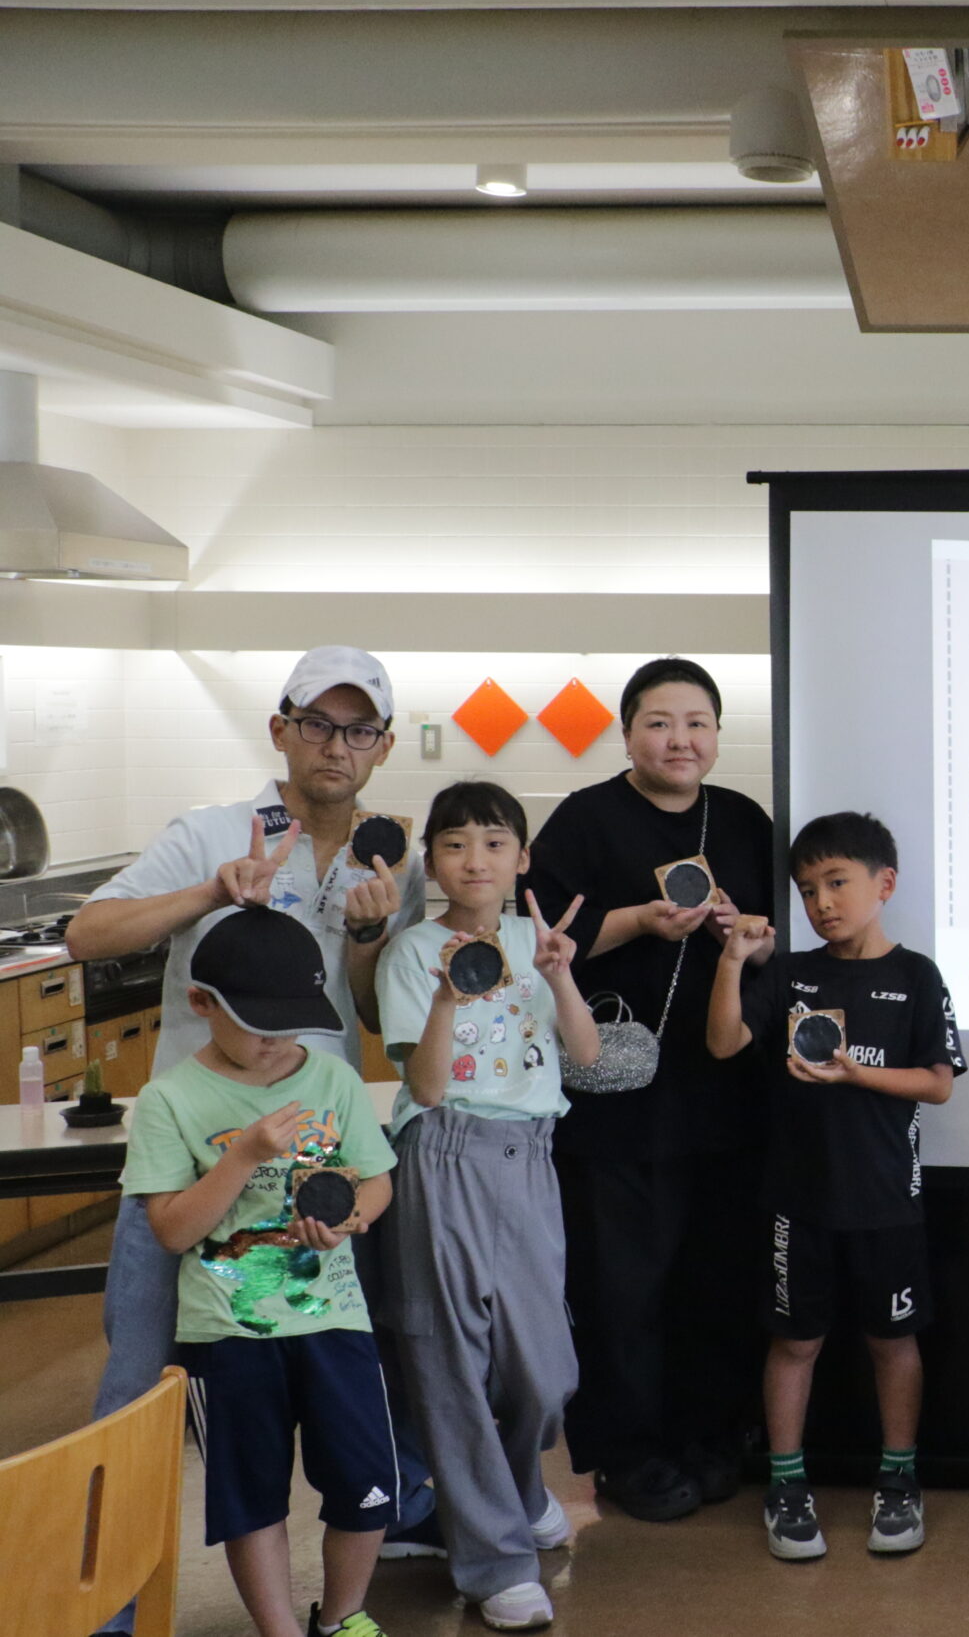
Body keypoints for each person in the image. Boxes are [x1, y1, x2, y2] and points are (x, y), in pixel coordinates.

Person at [69, 645, 435, 1620]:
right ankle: (105, 1611)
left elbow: (373, 1015)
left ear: (383, 746)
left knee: (324, 1388)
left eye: (358, 729)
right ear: (281, 729)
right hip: (185, 1168)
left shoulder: (391, 861)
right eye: (316, 723)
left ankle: (349, 1584)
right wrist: (212, 891)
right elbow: (87, 933)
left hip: (311, 1173)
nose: (335, 745)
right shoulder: (211, 832)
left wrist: (371, 936)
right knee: (136, 1391)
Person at [527, 657, 777, 1523]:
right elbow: (544, 938)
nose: (680, 739)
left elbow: (776, 939)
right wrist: (640, 919)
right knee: (621, 1286)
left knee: (713, 1277)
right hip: (615, 1099)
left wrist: (751, 936)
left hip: (723, 1092)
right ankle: (628, 1454)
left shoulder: (742, 820)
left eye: (697, 722)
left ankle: (709, 1435)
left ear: (718, 734)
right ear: (628, 731)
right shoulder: (585, 819)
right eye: (660, 722)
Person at [117, 908, 401, 1637]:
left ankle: (343, 1617)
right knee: (251, 1495)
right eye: (257, 1024)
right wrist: (242, 1154)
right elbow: (173, 1228)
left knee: (365, 1481)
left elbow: (376, 1181)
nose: (277, 1042)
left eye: (291, 1023)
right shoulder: (170, 1100)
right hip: (229, 1331)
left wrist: (350, 1219)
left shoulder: (333, 1079)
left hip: (335, 1319)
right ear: (201, 1002)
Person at [707, 811, 964, 1563]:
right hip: (797, 1200)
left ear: (885, 884)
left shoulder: (916, 975)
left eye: (837, 882)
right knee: (795, 1343)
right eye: (807, 889)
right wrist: (733, 961)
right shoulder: (790, 973)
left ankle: (899, 1478)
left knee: (894, 1342)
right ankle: (787, 1484)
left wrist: (854, 1073)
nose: (821, 901)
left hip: (888, 1202)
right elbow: (723, 1043)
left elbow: (938, 1083)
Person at [374, 783, 601, 1631]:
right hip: (445, 1155)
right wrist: (445, 994)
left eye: (496, 842)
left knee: (546, 1371)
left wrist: (560, 974)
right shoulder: (410, 951)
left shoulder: (538, 941)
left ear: (523, 858)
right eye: (456, 844)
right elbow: (428, 1086)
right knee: (452, 1368)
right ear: (432, 861)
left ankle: (516, 1484)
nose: (476, 860)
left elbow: (585, 1054)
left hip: (531, 1157)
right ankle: (495, 1561)